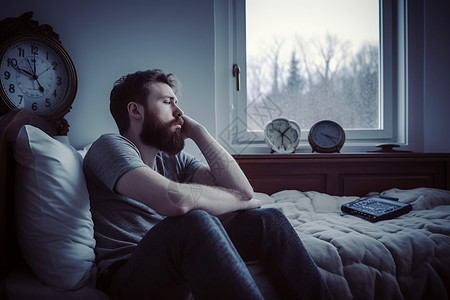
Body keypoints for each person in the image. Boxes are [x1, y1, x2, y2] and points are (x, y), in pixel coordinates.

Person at [83, 69, 333, 300]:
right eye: (167, 102)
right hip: (126, 273)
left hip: (174, 254)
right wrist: (240, 200)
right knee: (196, 221)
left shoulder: (172, 158)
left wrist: (200, 133)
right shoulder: (110, 147)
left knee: (270, 220)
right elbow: (176, 201)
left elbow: (243, 191)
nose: (179, 112)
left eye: (177, 103)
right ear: (136, 111)